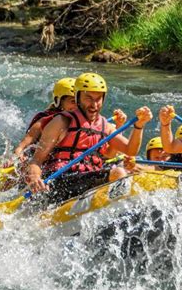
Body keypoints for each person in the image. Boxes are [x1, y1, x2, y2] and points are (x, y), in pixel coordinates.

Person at [25, 72, 152, 203]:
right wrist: (35, 177)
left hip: (89, 178)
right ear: (77, 97)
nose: (94, 104)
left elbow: (130, 150)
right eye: (89, 98)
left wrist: (139, 126)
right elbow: (36, 160)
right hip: (60, 180)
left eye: (98, 99)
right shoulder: (61, 122)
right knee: (118, 173)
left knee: (128, 172)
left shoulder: (105, 126)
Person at [14, 77, 78, 163]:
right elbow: (22, 145)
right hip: (39, 161)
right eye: (73, 101)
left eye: (79, 101)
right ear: (58, 101)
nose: (77, 106)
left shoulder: (83, 121)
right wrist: (18, 155)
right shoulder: (45, 120)